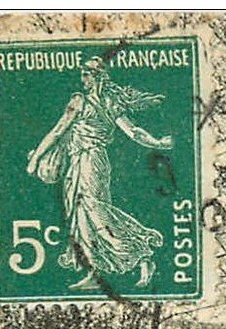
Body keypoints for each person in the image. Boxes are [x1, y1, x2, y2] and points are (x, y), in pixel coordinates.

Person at [25, 57, 172, 290]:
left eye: (86, 74)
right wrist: (158, 142)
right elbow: (133, 132)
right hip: (81, 162)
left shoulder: (82, 101)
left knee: (94, 211)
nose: (82, 78)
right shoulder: (108, 101)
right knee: (82, 214)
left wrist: (35, 159)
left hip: (90, 161)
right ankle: (99, 269)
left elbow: (57, 132)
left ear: (96, 77)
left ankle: (140, 253)